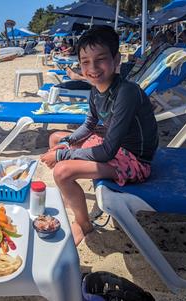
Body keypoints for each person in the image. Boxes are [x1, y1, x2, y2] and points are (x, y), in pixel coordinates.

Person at [40, 25, 158, 245]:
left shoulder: (127, 93)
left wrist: (61, 157)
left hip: (133, 160)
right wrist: (65, 143)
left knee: (63, 171)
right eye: (85, 61)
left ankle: (83, 224)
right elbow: (89, 124)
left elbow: (106, 152)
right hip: (113, 147)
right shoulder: (96, 90)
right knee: (56, 138)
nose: (92, 68)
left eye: (100, 59)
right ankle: (72, 197)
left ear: (116, 59)